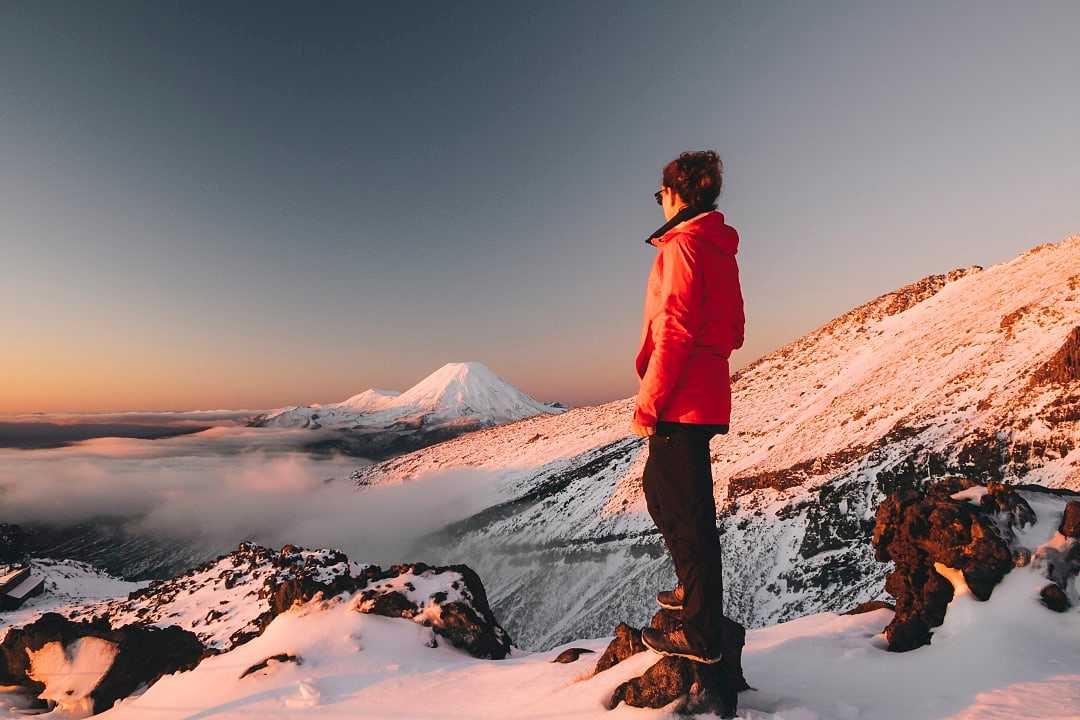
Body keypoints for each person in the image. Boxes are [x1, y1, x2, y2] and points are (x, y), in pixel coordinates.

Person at [631, 150, 745, 664]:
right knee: (666, 494)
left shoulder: (684, 248)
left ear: (676, 194)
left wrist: (649, 401)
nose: (660, 204)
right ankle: (691, 597)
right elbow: (734, 329)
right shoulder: (720, 250)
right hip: (705, 393)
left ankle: (699, 631)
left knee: (687, 514)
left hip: (680, 398)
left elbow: (672, 330)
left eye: (660, 195)